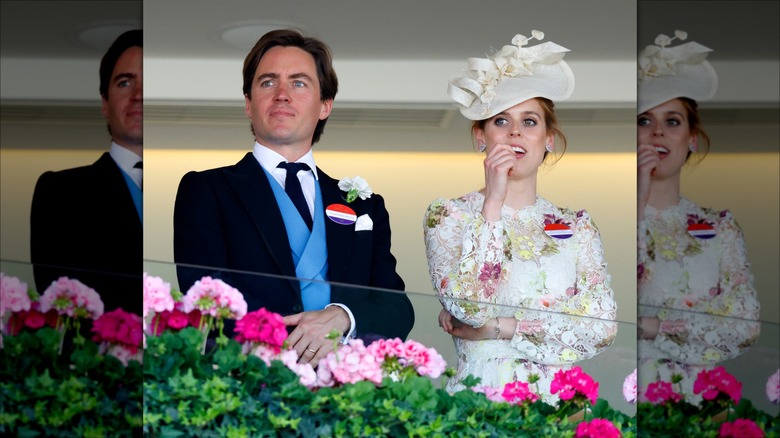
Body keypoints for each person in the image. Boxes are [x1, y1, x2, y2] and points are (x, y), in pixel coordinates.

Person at [173, 29, 414, 366]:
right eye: (268, 82)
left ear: (325, 106)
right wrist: (288, 349)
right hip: (247, 380)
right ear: (248, 103)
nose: (282, 94)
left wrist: (343, 317)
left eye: (299, 83)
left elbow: (396, 307)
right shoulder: (207, 190)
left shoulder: (364, 204)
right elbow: (206, 295)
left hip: (346, 394)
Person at [424, 31, 617, 399]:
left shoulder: (578, 225)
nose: (515, 132)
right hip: (481, 401)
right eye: (500, 121)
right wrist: (492, 206)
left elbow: (602, 328)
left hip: (561, 403)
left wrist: (505, 327)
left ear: (548, 140)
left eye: (529, 121)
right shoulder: (448, 215)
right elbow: (469, 308)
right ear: (481, 136)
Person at [636, 31, 760, 401]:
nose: (657, 130)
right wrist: (637, 209)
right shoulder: (608, 223)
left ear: (691, 139)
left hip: (702, 401)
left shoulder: (720, 226)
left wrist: (654, 326)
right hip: (629, 394)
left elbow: (745, 324)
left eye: (672, 121)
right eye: (644, 121)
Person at [30, 29, 143, 316]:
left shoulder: (201, 191)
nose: (140, 95)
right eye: (126, 82)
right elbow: (59, 298)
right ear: (105, 103)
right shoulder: (60, 191)